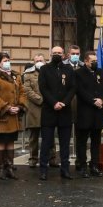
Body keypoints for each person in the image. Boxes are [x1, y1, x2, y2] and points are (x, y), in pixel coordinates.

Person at [0, 51, 26, 181]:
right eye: (4, 60)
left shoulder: (16, 76)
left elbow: (22, 93)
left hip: (14, 115)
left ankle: (9, 167)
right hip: (1, 115)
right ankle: (1, 168)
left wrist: (19, 107)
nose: (7, 62)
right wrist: (6, 107)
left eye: (8, 60)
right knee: (1, 142)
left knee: (10, 142)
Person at [38, 45, 77, 180]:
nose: (57, 55)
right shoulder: (44, 69)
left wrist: (64, 103)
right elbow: (43, 88)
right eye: (54, 53)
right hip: (49, 110)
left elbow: (72, 88)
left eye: (59, 53)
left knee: (65, 143)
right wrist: (54, 102)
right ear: (51, 54)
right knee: (46, 143)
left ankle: (65, 169)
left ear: (64, 55)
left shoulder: (69, 69)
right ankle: (43, 170)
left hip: (65, 111)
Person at [71, 50, 103, 178]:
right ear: (86, 61)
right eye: (92, 61)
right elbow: (79, 90)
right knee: (82, 141)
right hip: (84, 112)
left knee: (96, 141)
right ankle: (82, 166)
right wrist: (93, 101)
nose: (95, 63)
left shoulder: (102, 73)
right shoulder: (78, 74)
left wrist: (102, 100)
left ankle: (94, 165)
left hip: (98, 113)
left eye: (96, 61)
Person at [22, 53, 51, 168]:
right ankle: (33, 158)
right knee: (33, 136)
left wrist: (49, 100)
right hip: (34, 108)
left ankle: (51, 158)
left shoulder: (50, 72)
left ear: (45, 61)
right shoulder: (28, 74)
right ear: (33, 62)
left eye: (41, 60)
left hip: (48, 108)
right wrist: (41, 100)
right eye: (37, 60)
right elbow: (27, 90)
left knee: (49, 136)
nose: (39, 62)